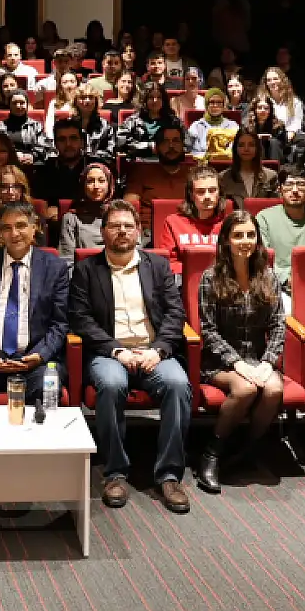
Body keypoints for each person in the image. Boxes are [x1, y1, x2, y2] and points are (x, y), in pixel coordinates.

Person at [69, 200, 193, 514]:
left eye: (128, 225)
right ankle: (115, 472)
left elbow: (176, 313)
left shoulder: (158, 266)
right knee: (110, 385)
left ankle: (169, 475)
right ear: (103, 231)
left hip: (154, 351)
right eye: (115, 226)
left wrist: (159, 350)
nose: (122, 231)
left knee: (178, 384)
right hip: (110, 353)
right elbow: (81, 319)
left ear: (139, 231)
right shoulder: (86, 269)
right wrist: (117, 350)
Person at [192, 210, 286, 493]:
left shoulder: (267, 276)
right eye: (238, 235)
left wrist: (268, 362)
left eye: (250, 235)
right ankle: (212, 453)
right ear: (226, 241)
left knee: (273, 391)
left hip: (257, 359)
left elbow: (280, 324)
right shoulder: (211, 277)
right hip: (218, 361)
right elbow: (207, 330)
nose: (245, 241)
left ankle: (248, 450)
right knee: (245, 390)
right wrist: (236, 363)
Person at [0, 199, 68, 405]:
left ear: (34, 227)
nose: (15, 233)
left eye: (21, 225)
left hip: (35, 361)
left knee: (47, 393)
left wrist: (39, 355)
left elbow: (60, 323)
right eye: (7, 228)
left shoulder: (55, 268)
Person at [122, 121, 195, 217]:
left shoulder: (194, 173)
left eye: (176, 141)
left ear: (183, 146)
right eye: (165, 141)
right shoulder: (141, 172)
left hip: (185, 228)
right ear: (156, 148)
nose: (171, 146)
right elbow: (128, 209)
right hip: (148, 229)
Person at [160, 166, 224, 275]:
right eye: (200, 192)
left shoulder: (228, 223)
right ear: (191, 195)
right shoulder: (173, 222)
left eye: (212, 190)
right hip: (184, 281)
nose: (207, 196)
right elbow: (168, 262)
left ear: (220, 193)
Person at [58, 162, 116, 262]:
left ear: (109, 184)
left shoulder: (121, 214)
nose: (96, 186)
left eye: (101, 181)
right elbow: (67, 260)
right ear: (83, 185)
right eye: (90, 181)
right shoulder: (71, 218)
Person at [217, 128, 279, 205]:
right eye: (241, 145)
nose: (246, 149)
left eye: (251, 145)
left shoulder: (271, 176)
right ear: (235, 149)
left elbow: (274, 207)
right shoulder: (223, 178)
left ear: (257, 148)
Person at [186, 88, 238, 160]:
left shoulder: (233, 125)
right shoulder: (196, 126)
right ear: (207, 105)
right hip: (201, 164)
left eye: (219, 102)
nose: (215, 105)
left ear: (223, 105)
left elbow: (236, 150)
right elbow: (189, 151)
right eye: (212, 102)